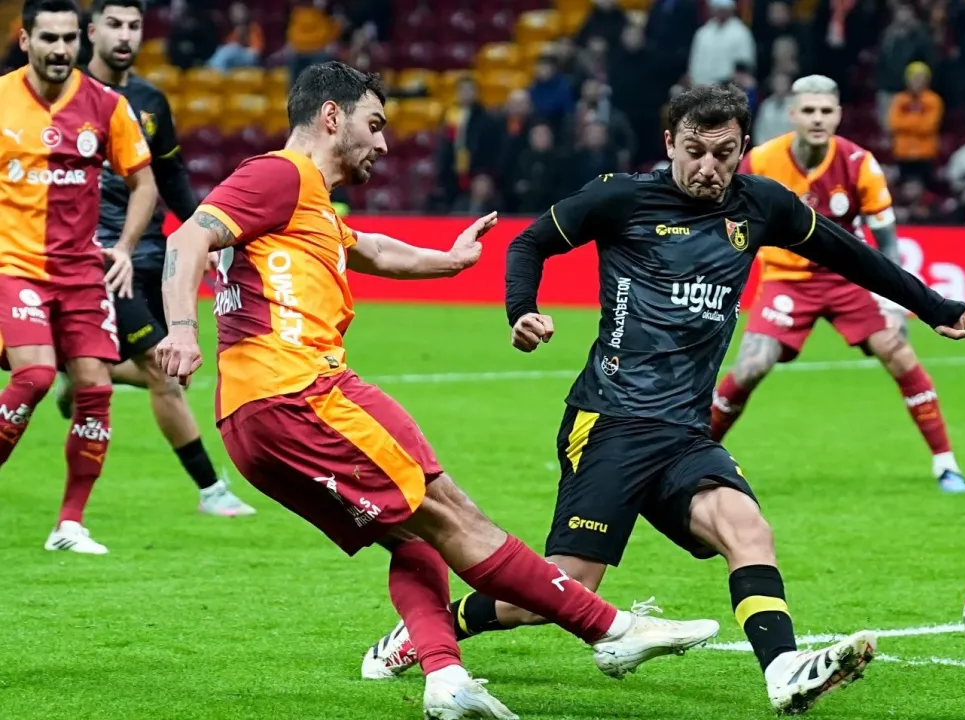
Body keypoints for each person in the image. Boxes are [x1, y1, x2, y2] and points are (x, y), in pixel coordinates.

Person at [364, 84, 965, 715]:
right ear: (670, 143)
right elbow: (530, 242)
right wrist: (523, 310)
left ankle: (783, 671)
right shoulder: (621, 197)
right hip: (610, 422)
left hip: (684, 433)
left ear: (742, 149)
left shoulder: (761, 204)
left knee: (747, 528)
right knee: (562, 590)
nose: (709, 167)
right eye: (695, 151)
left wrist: (929, 306)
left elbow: (848, 254)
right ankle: (429, 629)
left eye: (724, 153)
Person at [155, 61, 719, 720]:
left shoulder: (307, 204)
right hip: (303, 389)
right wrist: (180, 329)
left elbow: (371, 250)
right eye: (374, 124)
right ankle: (613, 630)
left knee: (413, 538)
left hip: (249, 422)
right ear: (331, 117)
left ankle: (445, 677)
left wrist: (449, 261)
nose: (383, 142)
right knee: (454, 515)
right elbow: (188, 236)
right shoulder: (282, 175)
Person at [711, 75, 965, 492]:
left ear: (838, 115)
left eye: (825, 111)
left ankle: (946, 465)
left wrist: (895, 305)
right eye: (809, 110)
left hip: (848, 277)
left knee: (899, 354)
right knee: (751, 367)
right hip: (787, 279)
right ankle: (694, 454)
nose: (817, 118)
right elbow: (730, 222)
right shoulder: (760, 161)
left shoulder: (858, 162)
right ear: (793, 114)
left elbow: (887, 241)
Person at [53, 0, 255, 517]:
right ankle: (211, 490)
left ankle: (78, 369)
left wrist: (205, 235)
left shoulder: (149, 101)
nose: (125, 36)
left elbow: (171, 176)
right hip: (97, 257)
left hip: (150, 252)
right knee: (163, 371)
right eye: (114, 25)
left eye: (134, 26)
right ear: (91, 32)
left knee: (164, 371)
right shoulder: (62, 96)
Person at [0, 0, 157, 554]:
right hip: (14, 265)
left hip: (82, 273)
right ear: (26, 40)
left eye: (69, 39)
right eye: (49, 38)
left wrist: (125, 247)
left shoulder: (108, 106)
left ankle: (69, 524)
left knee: (94, 387)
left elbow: (144, 183)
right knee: (37, 376)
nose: (61, 49)